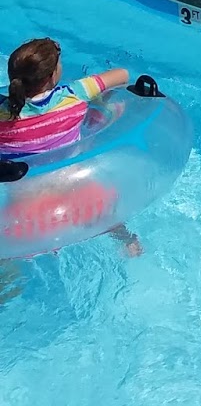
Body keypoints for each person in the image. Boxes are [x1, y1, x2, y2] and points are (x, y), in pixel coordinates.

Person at [2, 38, 142, 255]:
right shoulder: (74, 94)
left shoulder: (2, 115)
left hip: (26, 215)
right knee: (105, 105)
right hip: (79, 197)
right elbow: (122, 74)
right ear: (52, 76)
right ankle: (129, 244)